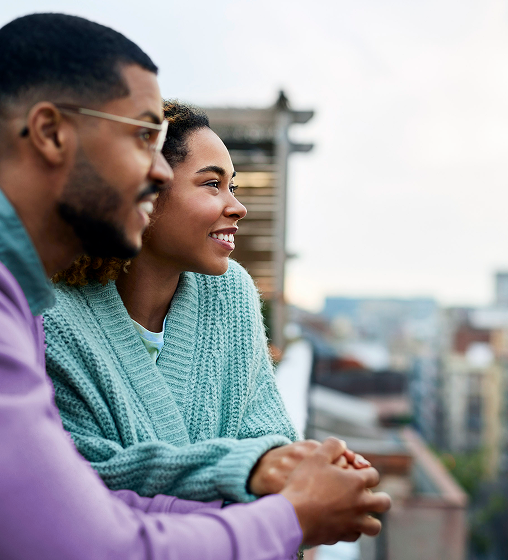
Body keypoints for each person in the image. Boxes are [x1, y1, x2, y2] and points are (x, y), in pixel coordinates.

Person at [0, 12, 391, 560]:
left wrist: (270, 475)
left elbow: (92, 509)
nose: (157, 172)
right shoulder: (33, 313)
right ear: (49, 132)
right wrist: (281, 510)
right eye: (141, 138)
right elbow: (89, 528)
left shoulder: (20, 296)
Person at [44, 100, 371, 503]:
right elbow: (78, 475)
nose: (238, 206)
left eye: (231, 185)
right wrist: (245, 472)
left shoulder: (231, 292)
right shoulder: (50, 317)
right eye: (212, 184)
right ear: (143, 189)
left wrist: (301, 465)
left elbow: (267, 431)